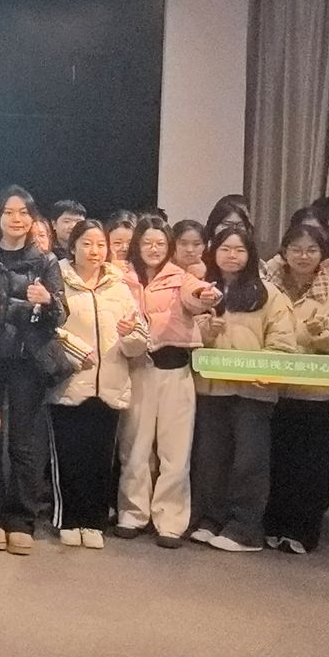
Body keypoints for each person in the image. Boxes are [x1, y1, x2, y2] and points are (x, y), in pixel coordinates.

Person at [188, 225, 297, 553]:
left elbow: (283, 343)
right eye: (225, 249)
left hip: (253, 391)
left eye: (239, 250)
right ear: (213, 253)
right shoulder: (201, 290)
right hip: (211, 389)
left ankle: (245, 528)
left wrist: (263, 369)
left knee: (249, 460)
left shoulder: (269, 294)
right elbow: (185, 339)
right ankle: (211, 519)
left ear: (250, 255)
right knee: (211, 458)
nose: (231, 256)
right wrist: (205, 333)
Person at [119, 217, 218, 547]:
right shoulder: (123, 277)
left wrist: (206, 295)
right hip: (138, 369)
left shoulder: (182, 278)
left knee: (175, 451)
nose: (154, 249)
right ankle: (132, 514)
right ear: (137, 244)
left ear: (169, 247)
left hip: (176, 372)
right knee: (135, 449)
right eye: (147, 242)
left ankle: (170, 521)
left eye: (160, 243)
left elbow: (198, 296)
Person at [50, 219, 148, 549]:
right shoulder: (58, 280)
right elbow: (49, 329)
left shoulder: (119, 287)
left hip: (110, 385)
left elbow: (140, 337)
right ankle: (68, 519)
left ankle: (93, 521)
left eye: (100, 244)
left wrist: (130, 335)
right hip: (70, 384)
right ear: (73, 247)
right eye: (87, 243)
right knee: (70, 457)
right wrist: (78, 351)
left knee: (100, 458)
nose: (94, 251)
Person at [0, 186, 63, 555]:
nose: (17, 219)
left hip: (28, 360)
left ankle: (22, 519)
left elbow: (62, 314)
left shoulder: (46, 261)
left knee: (24, 443)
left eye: (24, 212)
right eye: (9, 212)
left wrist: (49, 301)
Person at [260, 220, 329, 554]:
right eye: (296, 249)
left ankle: (303, 530)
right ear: (284, 252)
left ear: (322, 254)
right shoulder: (266, 287)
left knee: (311, 467)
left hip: (316, 394)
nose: (303, 256)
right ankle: (272, 525)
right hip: (273, 389)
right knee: (275, 463)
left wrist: (323, 332)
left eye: (311, 250)